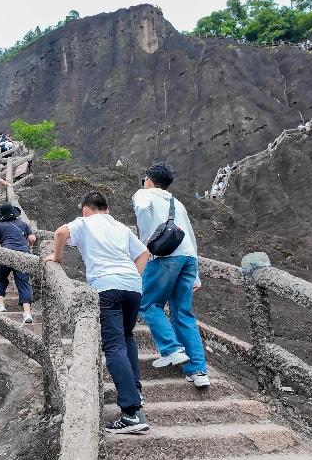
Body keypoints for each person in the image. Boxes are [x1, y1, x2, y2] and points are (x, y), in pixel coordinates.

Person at [45, 191, 151, 434]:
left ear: (85, 209)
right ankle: (135, 392)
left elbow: (60, 233)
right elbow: (144, 253)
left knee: (113, 346)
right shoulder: (120, 226)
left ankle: (131, 413)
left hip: (106, 287)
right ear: (107, 208)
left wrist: (56, 257)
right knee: (127, 336)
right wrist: (131, 277)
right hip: (133, 287)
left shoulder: (84, 222)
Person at [133, 162, 210, 388]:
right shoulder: (177, 203)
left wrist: (146, 244)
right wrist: (196, 275)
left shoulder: (143, 194)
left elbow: (142, 209)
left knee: (148, 303)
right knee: (183, 313)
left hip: (165, 257)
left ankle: (171, 348)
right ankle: (198, 371)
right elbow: (190, 236)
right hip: (188, 258)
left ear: (148, 180)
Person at [0, 203, 36, 323]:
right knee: (24, 283)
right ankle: (27, 313)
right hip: (22, 256)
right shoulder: (23, 224)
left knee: (0, 278)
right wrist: (29, 246)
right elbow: (32, 239)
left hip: (6, 254)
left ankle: (0, 304)